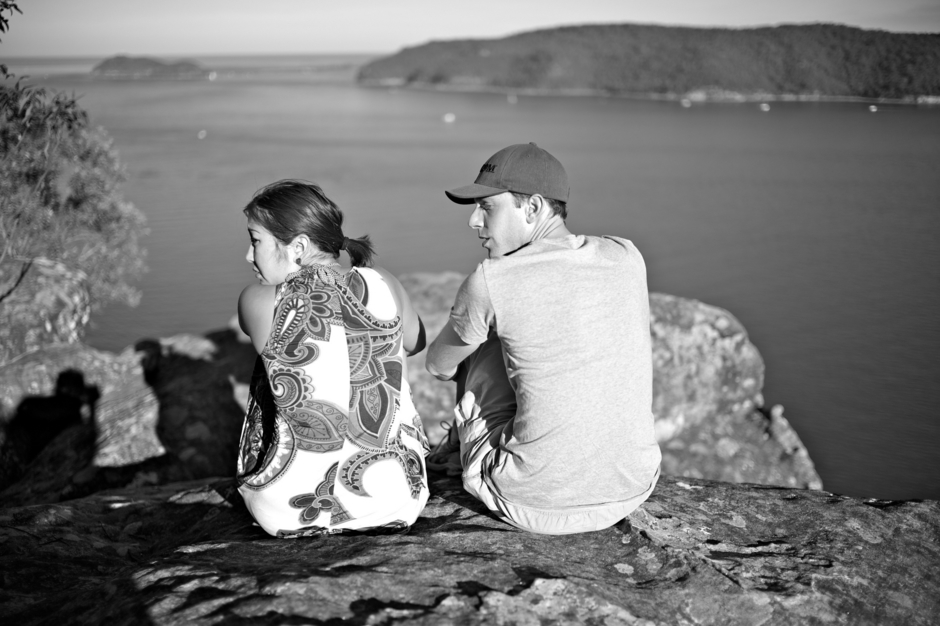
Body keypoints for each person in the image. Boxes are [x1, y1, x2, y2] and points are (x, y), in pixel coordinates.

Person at [426, 143, 661, 535]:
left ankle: (457, 449)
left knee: (482, 344)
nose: (473, 220)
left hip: (531, 498)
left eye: (487, 207)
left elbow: (438, 365)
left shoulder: (492, 279)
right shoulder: (626, 255)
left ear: (533, 207)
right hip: (630, 487)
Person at [235, 180, 429, 537]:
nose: (249, 256)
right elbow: (416, 342)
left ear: (299, 246)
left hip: (288, 511)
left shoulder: (257, 300)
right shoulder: (384, 281)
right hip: (396, 499)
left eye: (255, 241)